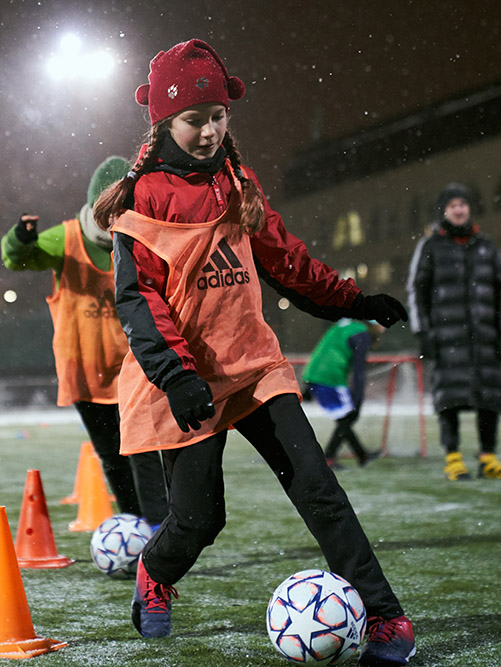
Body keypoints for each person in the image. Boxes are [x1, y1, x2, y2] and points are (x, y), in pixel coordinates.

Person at [93, 39, 415, 666]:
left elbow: (286, 262)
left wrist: (355, 300)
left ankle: (386, 619)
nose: (210, 130)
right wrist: (178, 376)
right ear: (164, 120)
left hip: (255, 366)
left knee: (318, 486)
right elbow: (140, 301)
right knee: (198, 521)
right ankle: (155, 571)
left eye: (219, 115)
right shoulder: (144, 199)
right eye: (194, 119)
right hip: (184, 380)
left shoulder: (238, 182)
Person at [1, 156, 168, 529]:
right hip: (84, 370)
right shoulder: (67, 237)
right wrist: (21, 239)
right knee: (111, 454)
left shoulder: (142, 241)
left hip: (132, 368)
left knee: (143, 449)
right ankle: (134, 523)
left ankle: (159, 529)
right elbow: (16, 260)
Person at [407, 182, 501, 481]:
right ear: (444, 211)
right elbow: (416, 291)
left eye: (463, 204)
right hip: (446, 340)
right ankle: (453, 459)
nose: (458, 209)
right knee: (449, 400)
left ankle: (488, 458)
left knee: (489, 399)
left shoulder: (487, 246)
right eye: (452, 205)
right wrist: (423, 333)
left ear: (469, 209)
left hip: (485, 339)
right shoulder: (430, 246)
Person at [302, 319, 386, 469]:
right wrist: (358, 397)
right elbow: (358, 370)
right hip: (329, 378)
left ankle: (361, 455)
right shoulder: (362, 334)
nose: (383, 329)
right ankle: (329, 457)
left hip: (313, 373)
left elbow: (324, 349)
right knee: (348, 416)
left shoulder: (346, 324)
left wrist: (308, 386)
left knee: (343, 418)